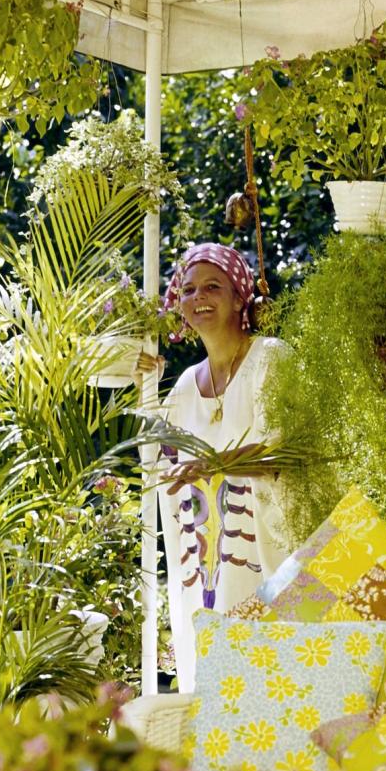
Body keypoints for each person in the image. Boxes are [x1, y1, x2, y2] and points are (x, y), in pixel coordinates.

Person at [140, 242, 293, 692]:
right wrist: (146, 386)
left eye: (213, 286)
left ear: (240, 295)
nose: (198, 297)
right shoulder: (187, 385)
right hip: (203, 573)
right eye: (188, 289)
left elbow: (282, 451)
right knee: (212, 691)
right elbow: (155, 460)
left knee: (269, 684)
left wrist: (213, 464)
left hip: (265, 561)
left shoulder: (271, 358)